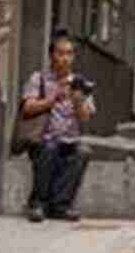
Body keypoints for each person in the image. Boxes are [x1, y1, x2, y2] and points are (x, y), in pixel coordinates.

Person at [21, 28, 95, 223]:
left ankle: (60, 205)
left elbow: (86, 117)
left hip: (69, 140)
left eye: (69, 54)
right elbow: (27, 108)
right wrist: (52, 99)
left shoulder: (80, 83)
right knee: (50, 147)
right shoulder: (39, 79)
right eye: (60, 53)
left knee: (83, 151)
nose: (65, 58)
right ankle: (38, 203)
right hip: (43, 139)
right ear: (51, 55)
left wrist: (78, 101)